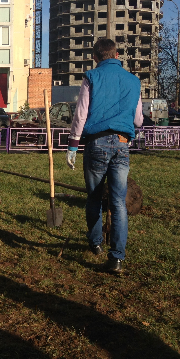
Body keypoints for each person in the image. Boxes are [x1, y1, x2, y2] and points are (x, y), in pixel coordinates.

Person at [66, 38, 143, 273]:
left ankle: (96, 243)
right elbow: (138, 119)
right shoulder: (133, 81)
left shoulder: (92, 77)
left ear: (95, 57)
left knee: (94, 198)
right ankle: (117, 258)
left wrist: (72, 146)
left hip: (96, 143)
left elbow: (81, 114)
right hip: (121, 144)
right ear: (117, 55)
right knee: (119, 202)